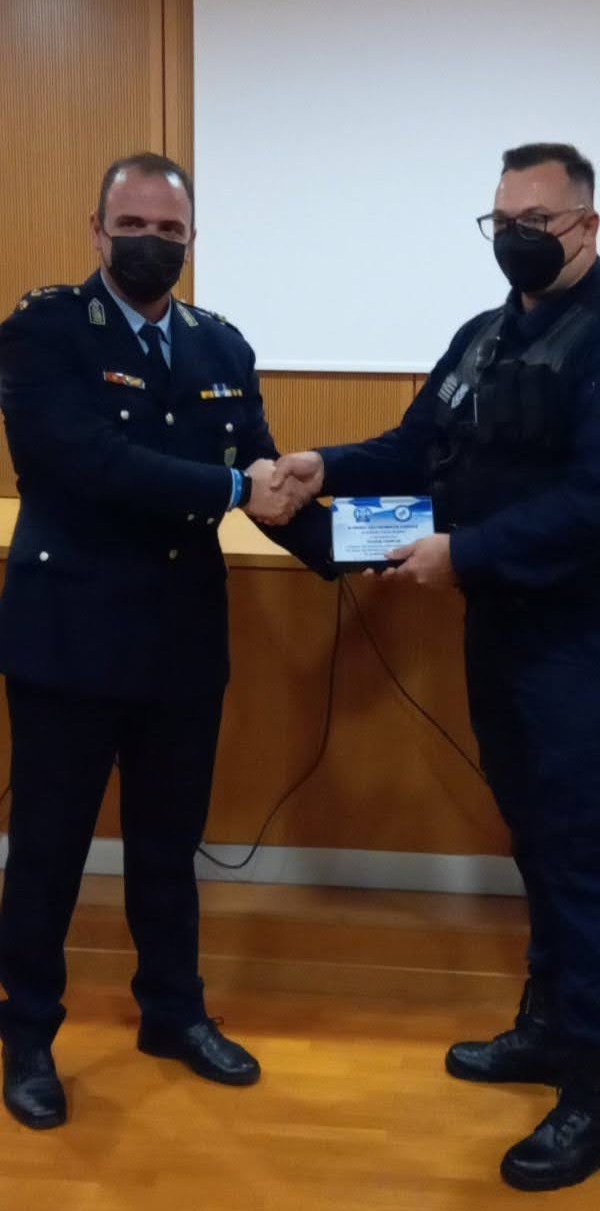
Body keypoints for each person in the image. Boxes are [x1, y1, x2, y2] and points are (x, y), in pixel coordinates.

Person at [272, 143, 600, 1191]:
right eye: (502, 220)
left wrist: (466, 552)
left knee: (584, 860)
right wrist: (325, 465)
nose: (516, 237)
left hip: (587, 643)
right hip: (503, 635)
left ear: (587, 227)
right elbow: (419, 445)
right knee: (537, 843)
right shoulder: (484, 336)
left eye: (537, 221)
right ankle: (550, 1027)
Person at [0, 152, 333, 1130]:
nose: (152, 243)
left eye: (170, 231)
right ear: (98, 231)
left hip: (180, 636)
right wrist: (232, 487)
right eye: (133, 226)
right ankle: (27, 1034)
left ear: (191, 241)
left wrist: (363, 551)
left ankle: (173, 1012)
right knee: (49, 849)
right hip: (69, 636)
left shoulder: (219, 345)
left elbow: (266, 474)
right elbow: (87, 461)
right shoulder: (43, 331)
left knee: (167, 843)